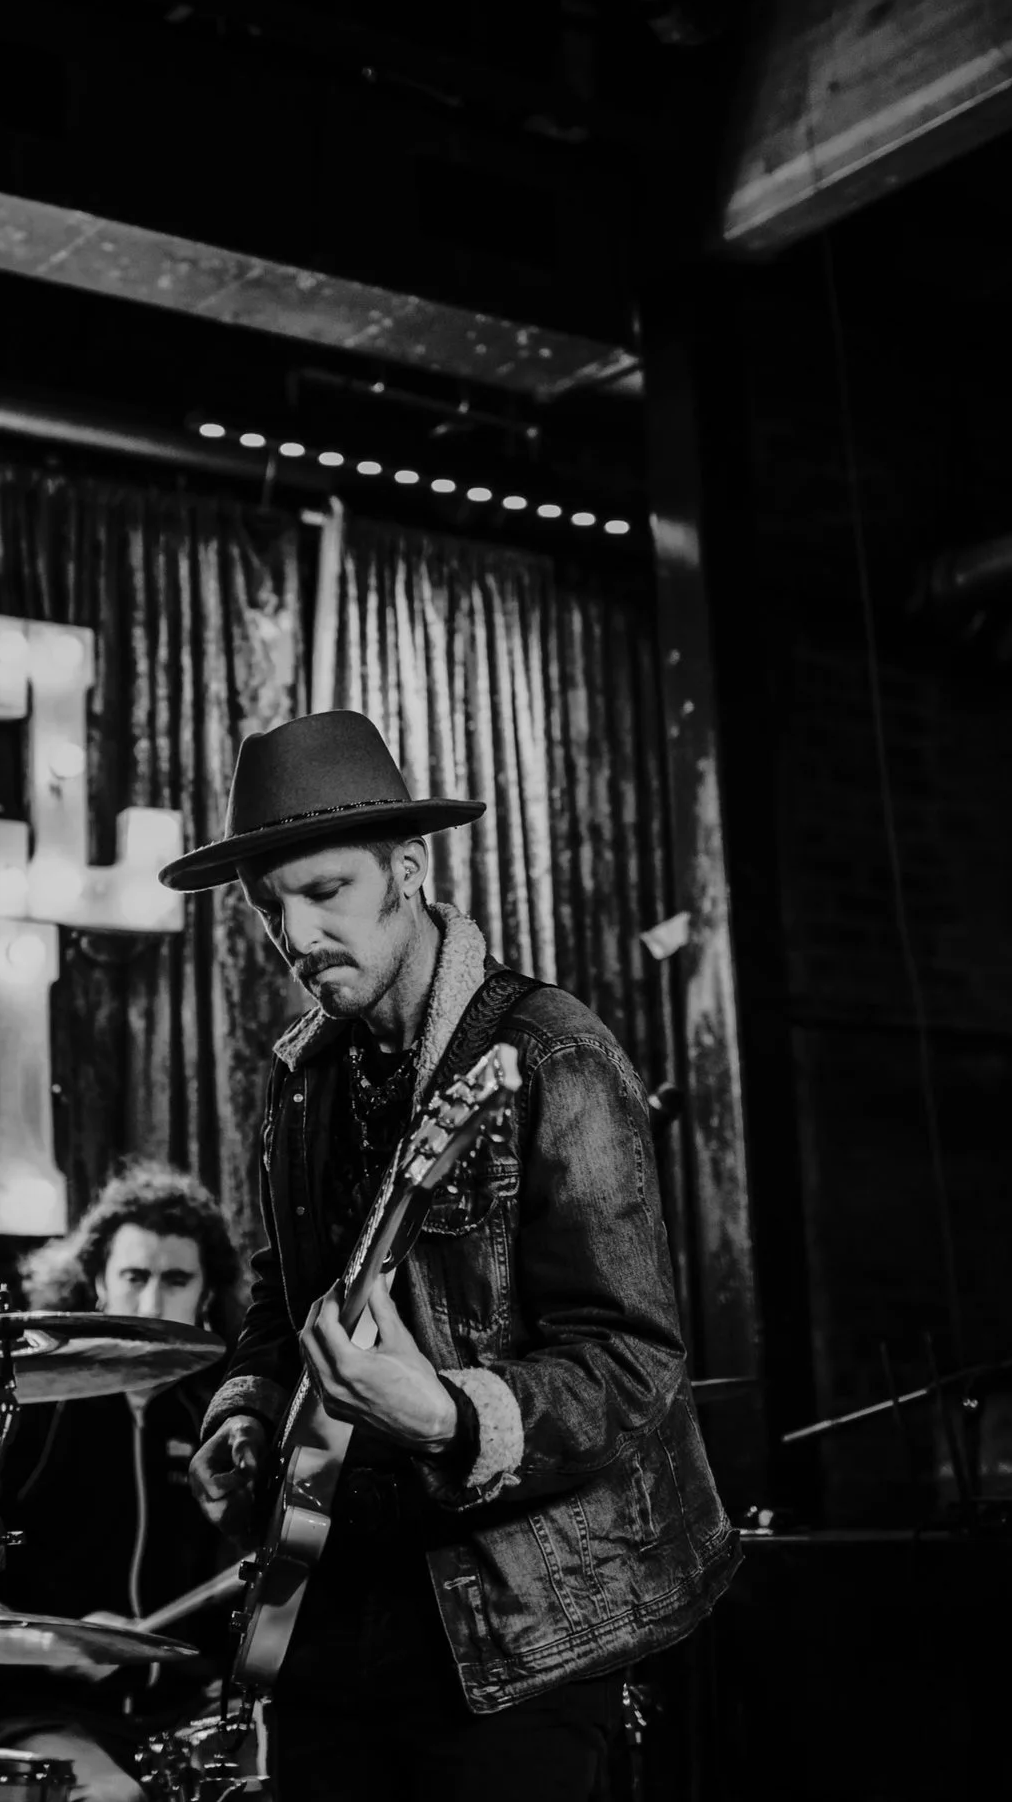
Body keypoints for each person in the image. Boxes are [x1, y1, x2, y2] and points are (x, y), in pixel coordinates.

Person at [166, 710, 737, 1802]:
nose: (294, 931)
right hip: (331, 1605)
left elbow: (633, 1361)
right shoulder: (305, 1079)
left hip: (514, 1623)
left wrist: (446, 1412)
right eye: (267, 905)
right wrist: (243, 1405)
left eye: (323, 890)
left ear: (408, 872)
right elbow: (286, 1307)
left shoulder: (551, 1055)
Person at [0, 1164, 242, 1802]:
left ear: (207, 1294)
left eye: (176, 1280)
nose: (152, 1304)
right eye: (134, 1277)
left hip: (183, 1716)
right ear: (98, 1281)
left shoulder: (221, 1417)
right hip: (39, 1711)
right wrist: (45, 1640)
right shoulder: (23, 1400)